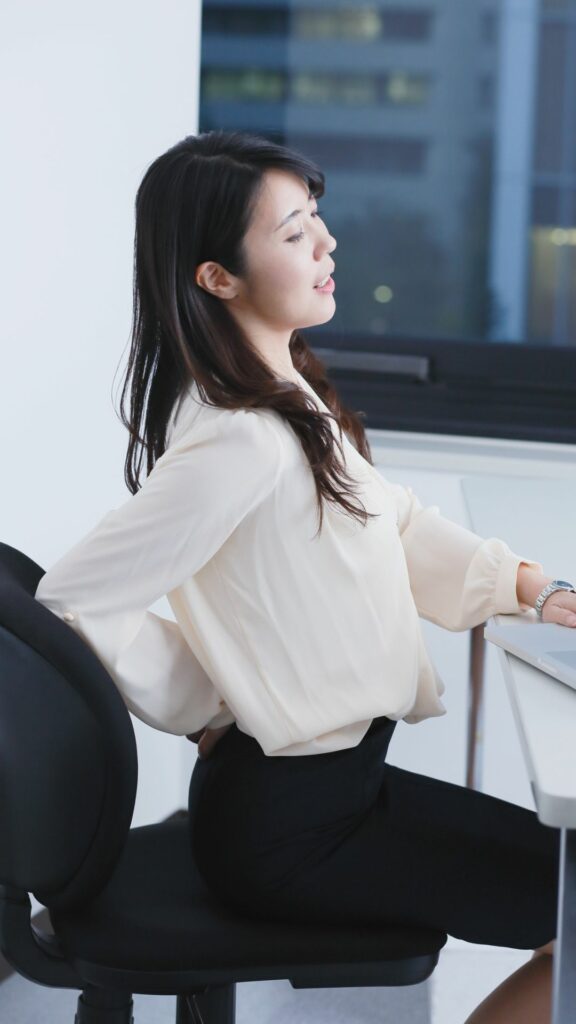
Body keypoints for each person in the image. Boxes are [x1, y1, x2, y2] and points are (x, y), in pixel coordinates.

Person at [34, 130, 576, 1023]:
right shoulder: (238, 438)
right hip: (295, 829)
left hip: (331, 798)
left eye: (316, 220)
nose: (327, 245)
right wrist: (213, 704)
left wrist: (529, 587)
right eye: (294, 233)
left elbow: (387, 516)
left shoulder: (275, 392)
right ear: (217, 277)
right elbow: (77, 599)